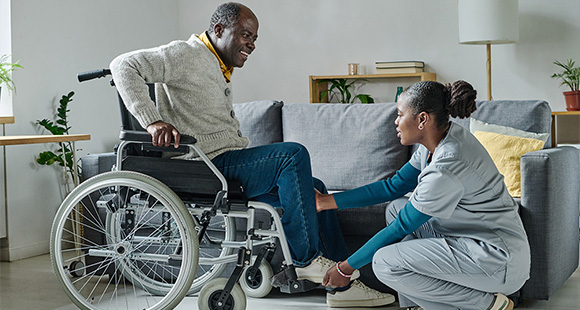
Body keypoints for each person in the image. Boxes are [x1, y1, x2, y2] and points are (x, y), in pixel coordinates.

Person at [109, 2, 394, 307]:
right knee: (291, 154)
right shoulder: (185, 53)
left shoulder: (216, 66)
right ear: (219, 30)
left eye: (255, 38)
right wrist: (153, 120)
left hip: (226, 162)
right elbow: (123, 65)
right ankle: (305, 259)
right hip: (207, 165)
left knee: (316, 191)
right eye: (246, 35)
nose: (251, 44)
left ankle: (342, 286)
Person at [316, 80, 531, 310]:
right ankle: (416, 305)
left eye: (400, 114)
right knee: (396, 207)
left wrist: (344, 268)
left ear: (422, 119)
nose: (396, 122)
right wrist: (326, 201)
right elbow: (393, 186)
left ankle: (489, 304)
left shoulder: (447, 166)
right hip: (475, 241)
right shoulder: (439, 141)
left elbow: (400, 228)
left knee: (384, 263)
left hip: (497, 260)